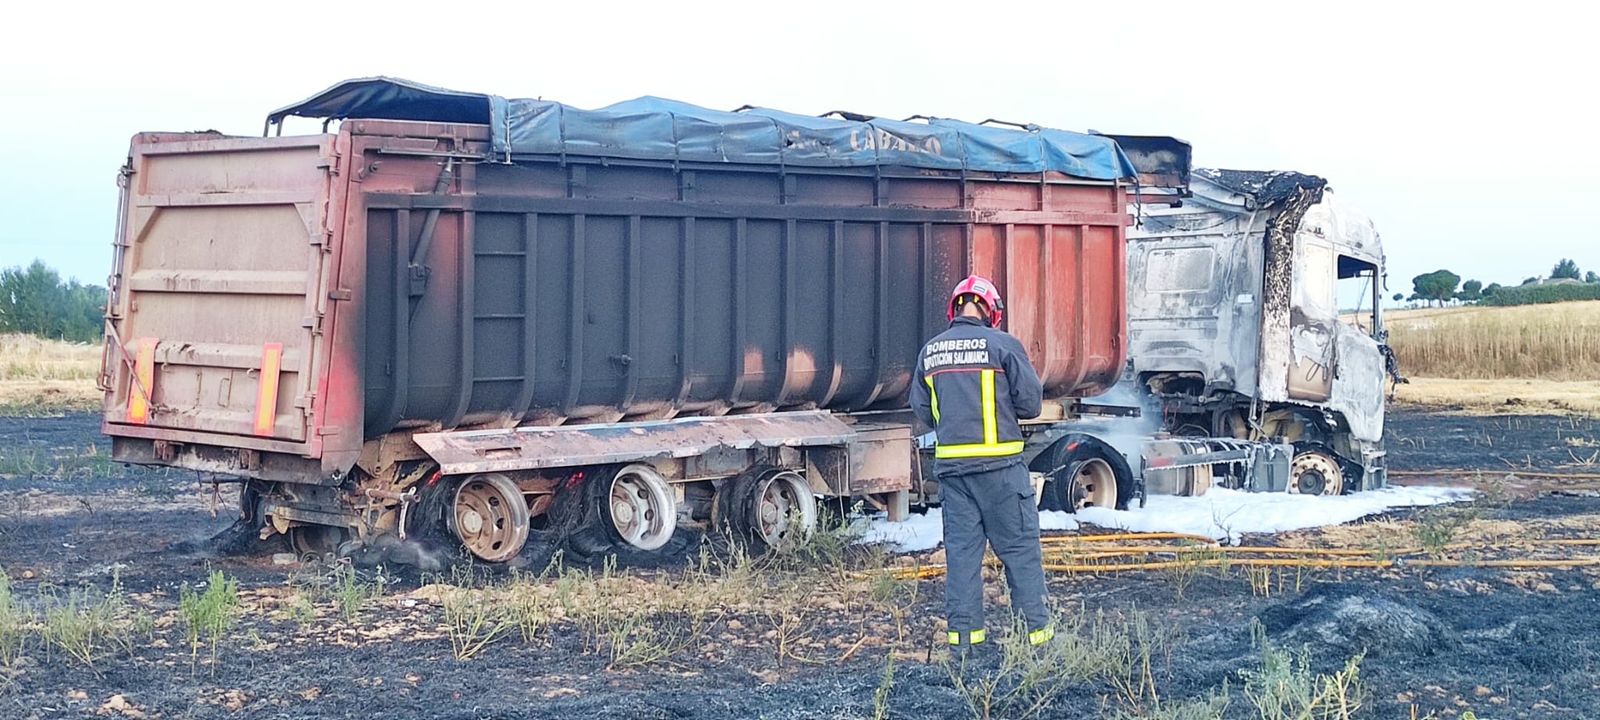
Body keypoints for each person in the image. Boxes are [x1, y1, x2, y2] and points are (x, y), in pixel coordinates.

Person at [910, 274, 1052, 655]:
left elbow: (923, 411)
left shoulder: (931, 352)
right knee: (1020, 554)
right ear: (991, 310)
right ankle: (1035, 645)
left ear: (954, 309)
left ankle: (964, 649)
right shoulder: (1003, 346)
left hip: (954, 477)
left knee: (962, 562)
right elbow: (1031, 405)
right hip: (1002, 472)